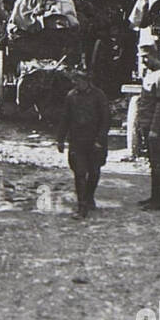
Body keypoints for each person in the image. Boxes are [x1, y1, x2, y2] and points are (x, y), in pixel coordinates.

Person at [55, 66, 111, 219]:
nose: (77, 83)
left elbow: (106, 120)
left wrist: (100, 139)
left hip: (94, 142)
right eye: (75, 80)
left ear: (87, 81)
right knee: (79, 173)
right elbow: (65, 119)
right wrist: (60, 139)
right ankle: (82, 207)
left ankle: (89, 197)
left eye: (80, 80)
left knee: (94, 172)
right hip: (77, 141)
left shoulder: (99, 96)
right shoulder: (71, 96)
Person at [137, 45, 160, 211]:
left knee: (158, 164)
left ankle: (159, 200)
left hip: (154, 127)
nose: (143, 60)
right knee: (153, 163)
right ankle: (153, 196)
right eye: (141, 57)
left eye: (146, 56)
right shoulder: (149, 74)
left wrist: (155, 129)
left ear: (156, 56)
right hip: (146, 125)